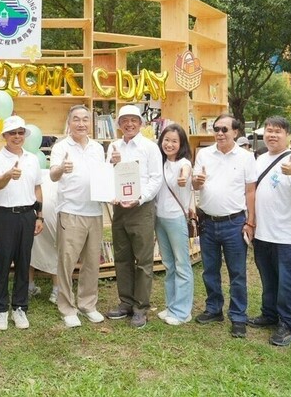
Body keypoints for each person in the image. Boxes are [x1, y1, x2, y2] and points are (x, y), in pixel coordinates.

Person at [192, 114, 256, 338]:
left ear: (235, 132)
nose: (219, 133)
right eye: (216, 129)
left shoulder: (246, 157)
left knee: (237, 273)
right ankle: (213, 309)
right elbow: (194, 182)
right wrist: (195, 182)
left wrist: (251, 221)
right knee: (210, 270)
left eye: (224, 130)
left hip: (234, 223)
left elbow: (250, 191)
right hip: (208, 222)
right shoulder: (204, 154)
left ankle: (238, 317)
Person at [249, 116, 291, 346]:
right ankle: (269, 314)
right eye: (269, 130)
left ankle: (287, 323)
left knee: (288, 281)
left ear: (287, 135)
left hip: (287, 235)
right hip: (262, 232)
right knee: (268, 277)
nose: (272, 135)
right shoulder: (259, 159)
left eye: (278, 131)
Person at [49, 105, 106, 328]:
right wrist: (62, 167)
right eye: (76, 119)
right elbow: (53, 176)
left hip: (95, 211)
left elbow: (104, 177)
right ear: (69, 122)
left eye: (85, 119)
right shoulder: (61, 147)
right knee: (67, 261)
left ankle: (88, 304)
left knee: (92, 262)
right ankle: (66, 307)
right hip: (70, 211)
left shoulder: (98, 148)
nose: (81, 123)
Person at [105, 105, 162, 328]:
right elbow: (108, 176)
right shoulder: (114, 146)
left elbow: (156, 178)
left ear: (141, 123)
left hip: (141, 208)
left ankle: (141, 307)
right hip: (120, 208)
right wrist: (112, 165)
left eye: (134, 120)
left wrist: (141, 197)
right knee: (122, 257)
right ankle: (125, 302)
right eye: (124, 120)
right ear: (119, 125)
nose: (129, 124)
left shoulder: (149, 147)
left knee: (144, 260)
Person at [0, 115, 44, 331]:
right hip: (4, 215)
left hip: (27, 215)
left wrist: (39, 216)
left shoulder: (32, 158)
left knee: (24, 261)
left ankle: (20, 307)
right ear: (5, 136)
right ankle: (0, 309)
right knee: (2, 262)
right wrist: (9, 174)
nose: (17, 137)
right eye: (13, 133)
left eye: (21, 133)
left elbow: (38, 188)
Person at [154, 124, 195, 326]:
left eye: (174, 141)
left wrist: (184, 177)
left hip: (176, 218)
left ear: (181, 144)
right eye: (166, 140)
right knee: (169, 264)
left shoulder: (183, 163)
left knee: (182, 264)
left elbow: (186, 172)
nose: (169, 144)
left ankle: (182, 311)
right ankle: (171, 306)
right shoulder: (159, 162)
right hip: (159, 218)